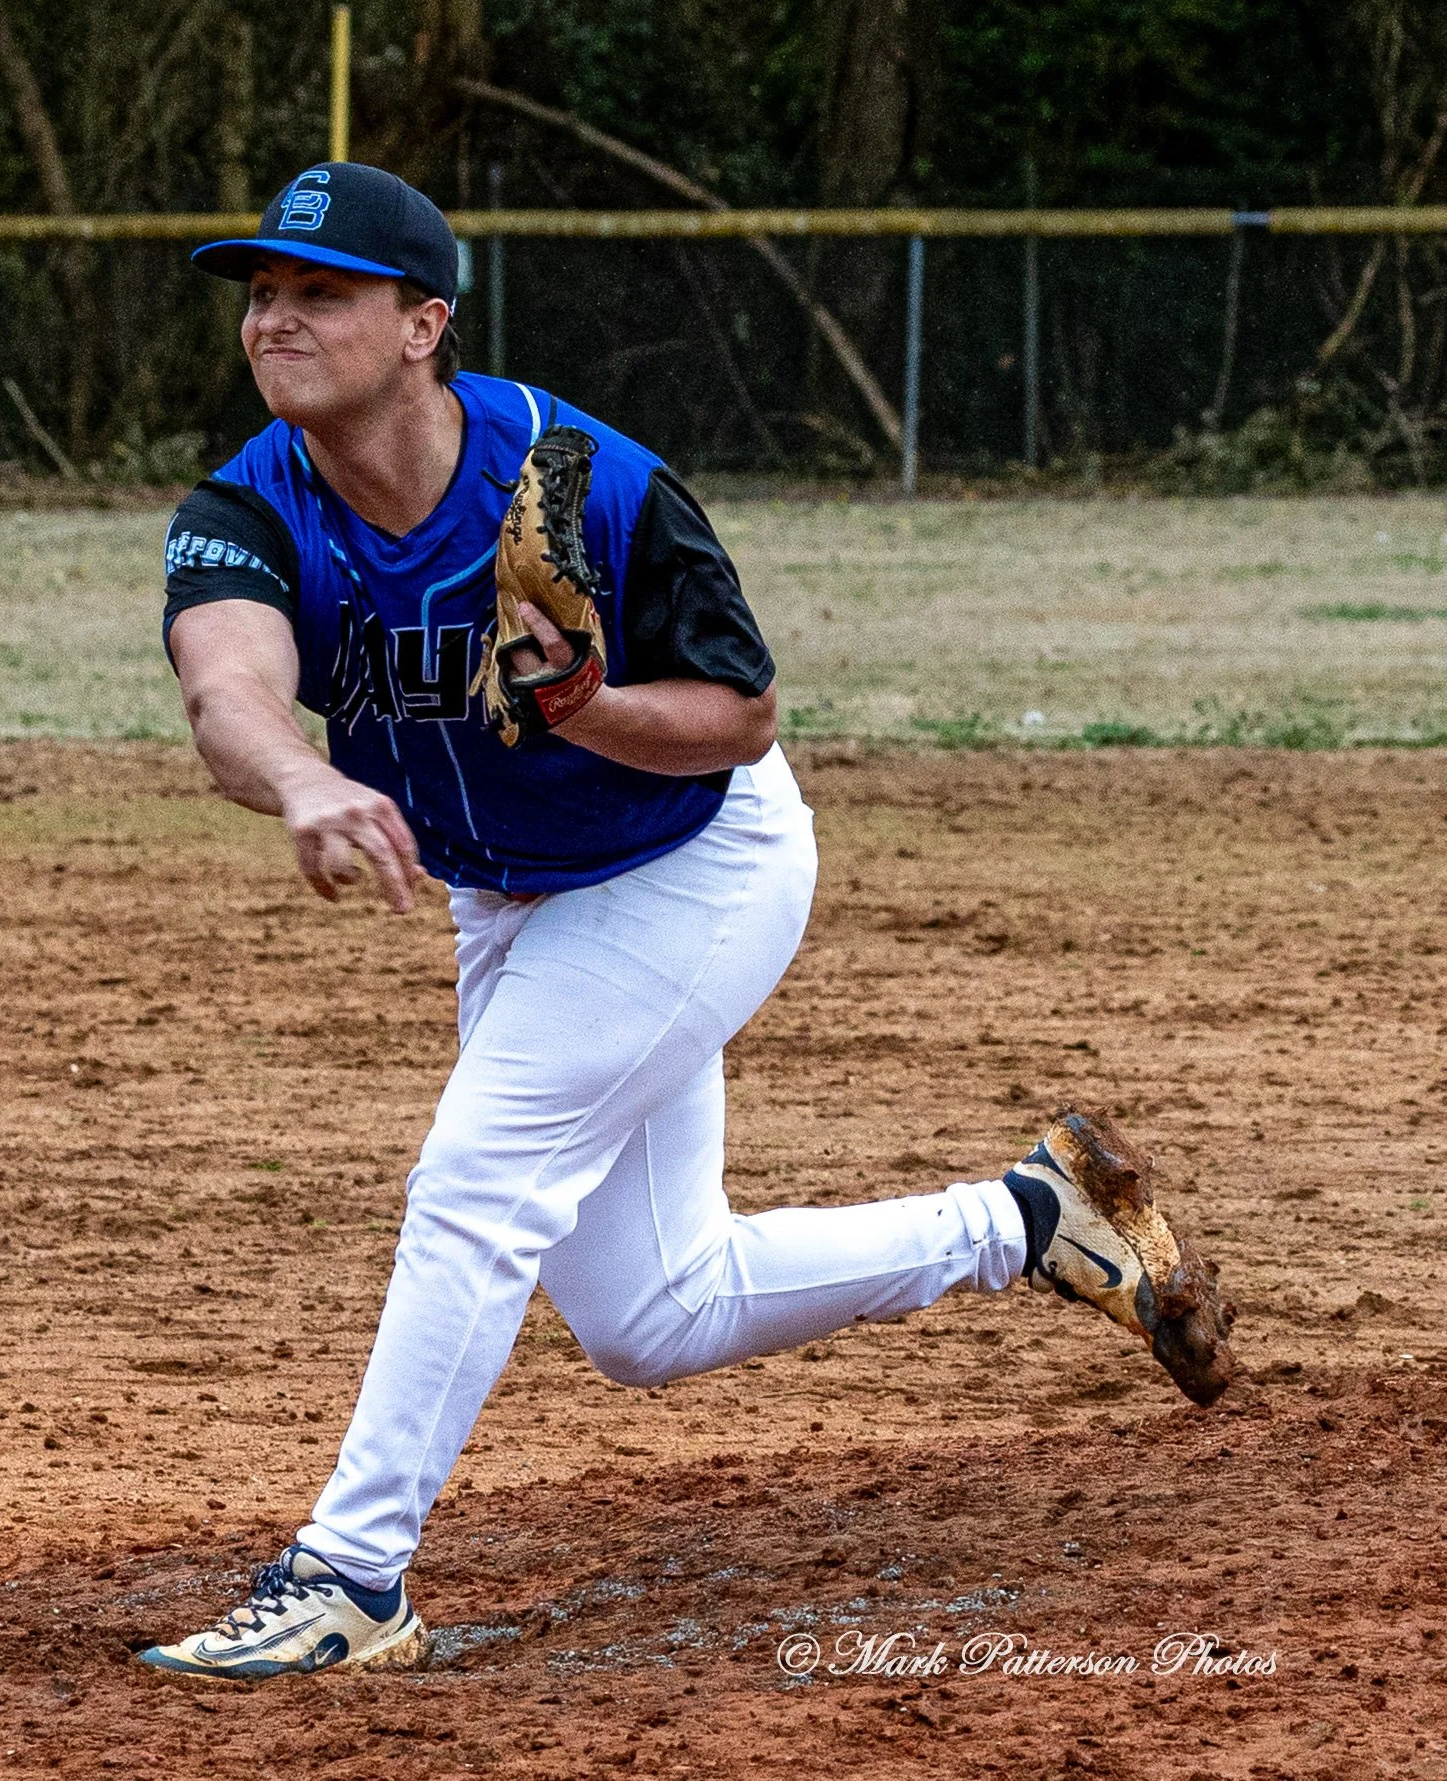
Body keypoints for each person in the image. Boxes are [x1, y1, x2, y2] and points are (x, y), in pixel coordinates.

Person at [136, 164, 1232, 1680]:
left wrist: (586, 705)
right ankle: (1030, 1220)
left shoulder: (584, 481)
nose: (274, 318)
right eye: (261, 292)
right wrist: (304, 778)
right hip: (513, 894)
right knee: (653, 1314)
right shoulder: (247, 505)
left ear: (421, 323)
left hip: (690, 863)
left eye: (318, 290)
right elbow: (226, 692)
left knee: (475, 1179)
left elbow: (739, 714)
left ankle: (350, 1577)